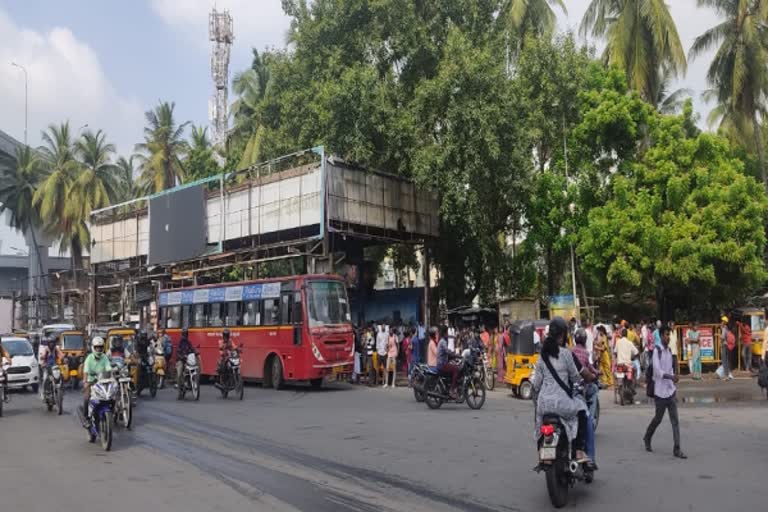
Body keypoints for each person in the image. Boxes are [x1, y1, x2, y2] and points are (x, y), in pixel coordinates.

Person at [532, 317, 595, 464]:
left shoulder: (542, 356)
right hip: (561, 404)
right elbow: (575, 377)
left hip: (544, 404)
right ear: (563, 335)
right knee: (581, 412)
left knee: (539, 420)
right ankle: (579, 451)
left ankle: (543, 451)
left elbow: (536, 384)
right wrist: (580, 381)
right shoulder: (566, 354)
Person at [643, 326, 686, 459]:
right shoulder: (657, 351)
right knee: (658, 419)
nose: (668, 337)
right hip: (660, 392)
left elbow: (670, 369)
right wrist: (670, 377)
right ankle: (647, 437)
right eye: (667, 335)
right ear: (661, 336)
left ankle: (677, 449)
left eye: (669, 335)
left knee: (675, 421)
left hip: (670, 391)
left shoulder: (669, 351)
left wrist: (674, 378)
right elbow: (657, 372)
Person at [571, 328, 599, 468]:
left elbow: (537, 385)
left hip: (551, 403)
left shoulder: (566, 353)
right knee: (586, 419)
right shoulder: (572, 355)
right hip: (574, 394)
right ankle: (590, 459)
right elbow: (587, 373)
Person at [80, 336, 112, 425]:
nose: (98, 350)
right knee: (86, 398)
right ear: (93, 347)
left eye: (100, 347)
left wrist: (112, 377)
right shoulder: (89, 358)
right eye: (96, 347)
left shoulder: (105, 357)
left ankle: (113, 413)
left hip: (103, 382)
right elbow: (85, 372)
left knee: (111, 397)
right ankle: (86, 418)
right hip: (91, 383)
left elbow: (108, 369)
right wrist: (85, 382)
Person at [436, 325, 459, 399]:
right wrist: (455, 354)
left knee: (453, 365)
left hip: (442, 363)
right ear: (445, 333)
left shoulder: (442, 341)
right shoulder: (443, 342)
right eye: (447, 333)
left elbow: (446, 353)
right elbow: (447, 351)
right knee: (456, 369)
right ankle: (452, 390)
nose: (448, 335)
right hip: (442, 364)